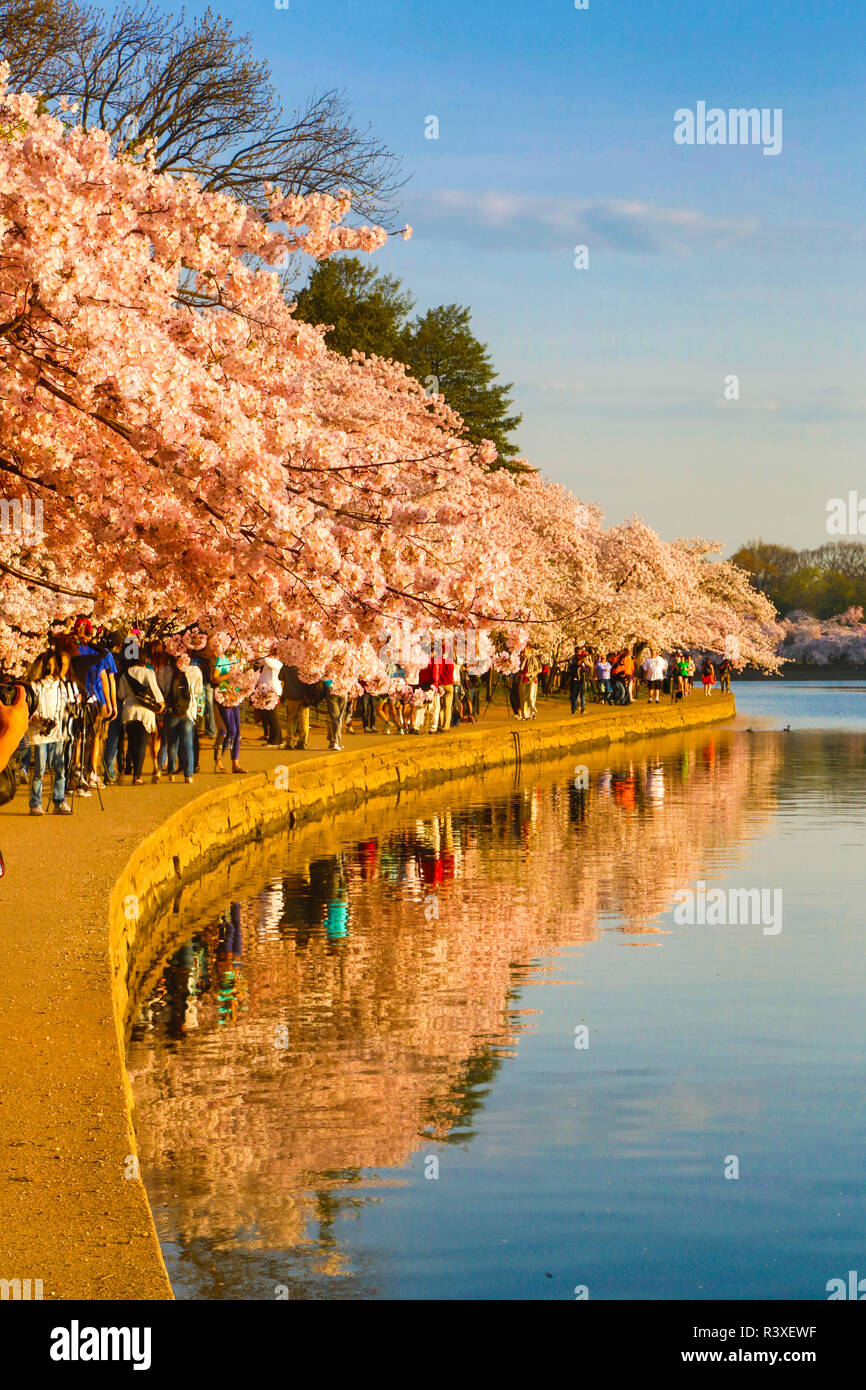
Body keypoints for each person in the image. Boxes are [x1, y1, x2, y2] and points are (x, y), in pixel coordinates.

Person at [25, 651, 73, 814]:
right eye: (48, 664)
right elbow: (29, 708)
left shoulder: (60, 684)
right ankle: (35, 803)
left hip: (57, 731)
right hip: (40, 732)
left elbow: (67, 704)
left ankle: (59, 801)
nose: (50, 668)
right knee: (39, 770)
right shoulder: (35, 685)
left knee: (60, 768)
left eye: (53, 665)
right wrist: (39, 718)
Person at [117, 649, 164, 784]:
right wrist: (161, 704)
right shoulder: (148, 672)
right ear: (145, 660)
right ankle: (137, 776)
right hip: (145, 712)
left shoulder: (125, 674)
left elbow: (121, 694)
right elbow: (155, 690)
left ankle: (128, 769)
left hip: (129, 711)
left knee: (132, 742)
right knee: (141, 745)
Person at [164, 654, 203, 782]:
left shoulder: (166, 671)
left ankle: (171, 772)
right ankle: (189, 774)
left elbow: (163, 689)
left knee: (172, 744)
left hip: (172, 712)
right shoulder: (195, 671)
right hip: (188, 711)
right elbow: (198, 690)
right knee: (188, 744)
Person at [567, 645, 589, 715]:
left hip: (575, 678)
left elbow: (569, 668)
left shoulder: (572, 659)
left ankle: (574, 709)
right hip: (580, 679)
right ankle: (581, 709)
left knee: (575, 695)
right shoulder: (580, 658)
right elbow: (586, 668)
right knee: (580, 695)